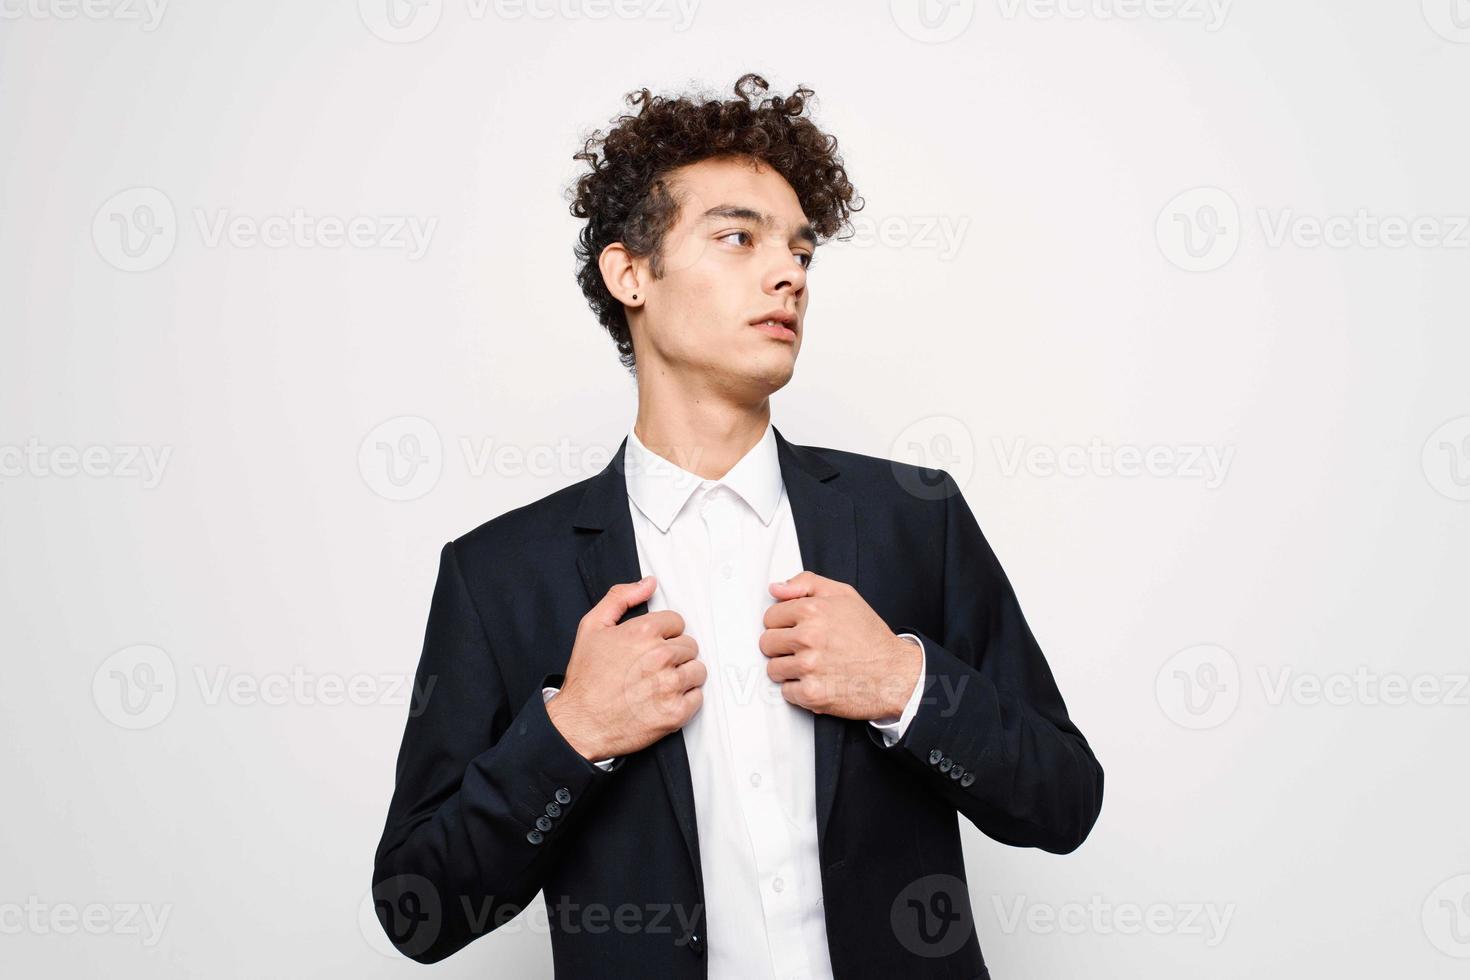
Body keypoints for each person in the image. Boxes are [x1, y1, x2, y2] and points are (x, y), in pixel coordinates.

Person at [372, 72, 1103, 978]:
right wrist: (573, 733)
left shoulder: (916, 520)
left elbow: (1066, 802)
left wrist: (904, 685)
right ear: (629, 273)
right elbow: (419, 909)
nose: (787, 272)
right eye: (736, 238)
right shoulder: (498, 577)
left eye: (800, 249)